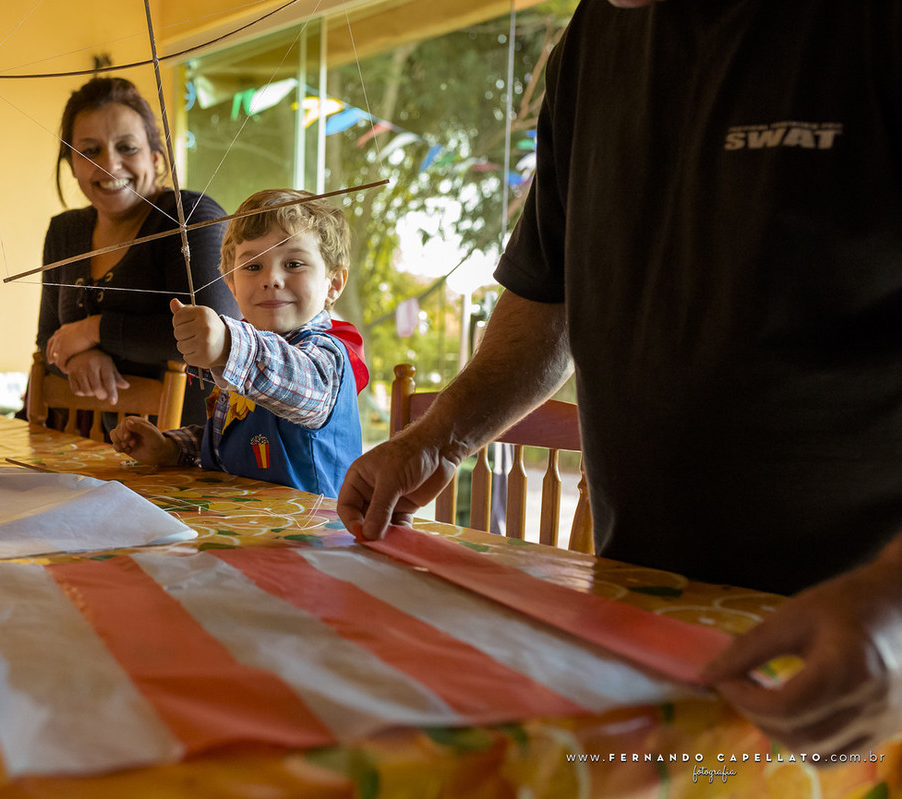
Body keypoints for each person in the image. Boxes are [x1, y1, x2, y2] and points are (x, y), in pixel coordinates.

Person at [337, 0, 902, 761]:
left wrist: (893, 605)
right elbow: (548, 295)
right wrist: (443, 436)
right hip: (653, 618)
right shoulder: (594, 38)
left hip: (862, 652)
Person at [111, 189, 368, 496]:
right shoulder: (245, 355)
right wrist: (170, 448)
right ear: (231, 285)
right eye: (253, 266)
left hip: (316, 531)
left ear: (333, 284)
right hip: (243, 522)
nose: (270, 279)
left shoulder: (328, 356)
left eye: (294, 264)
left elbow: (299, 386)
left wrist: (228, 345)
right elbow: (231, 439)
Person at [34, 76, 239, 431]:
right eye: (90, 151)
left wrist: (95, 329)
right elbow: (47, 339)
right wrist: (78, 357)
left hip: (188, 451)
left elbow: (215, 334)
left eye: (127, 147)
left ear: (155, 157)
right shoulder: (63, 232)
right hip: (82, 448)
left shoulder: (189, 217)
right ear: (72, 164)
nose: (108, 165)